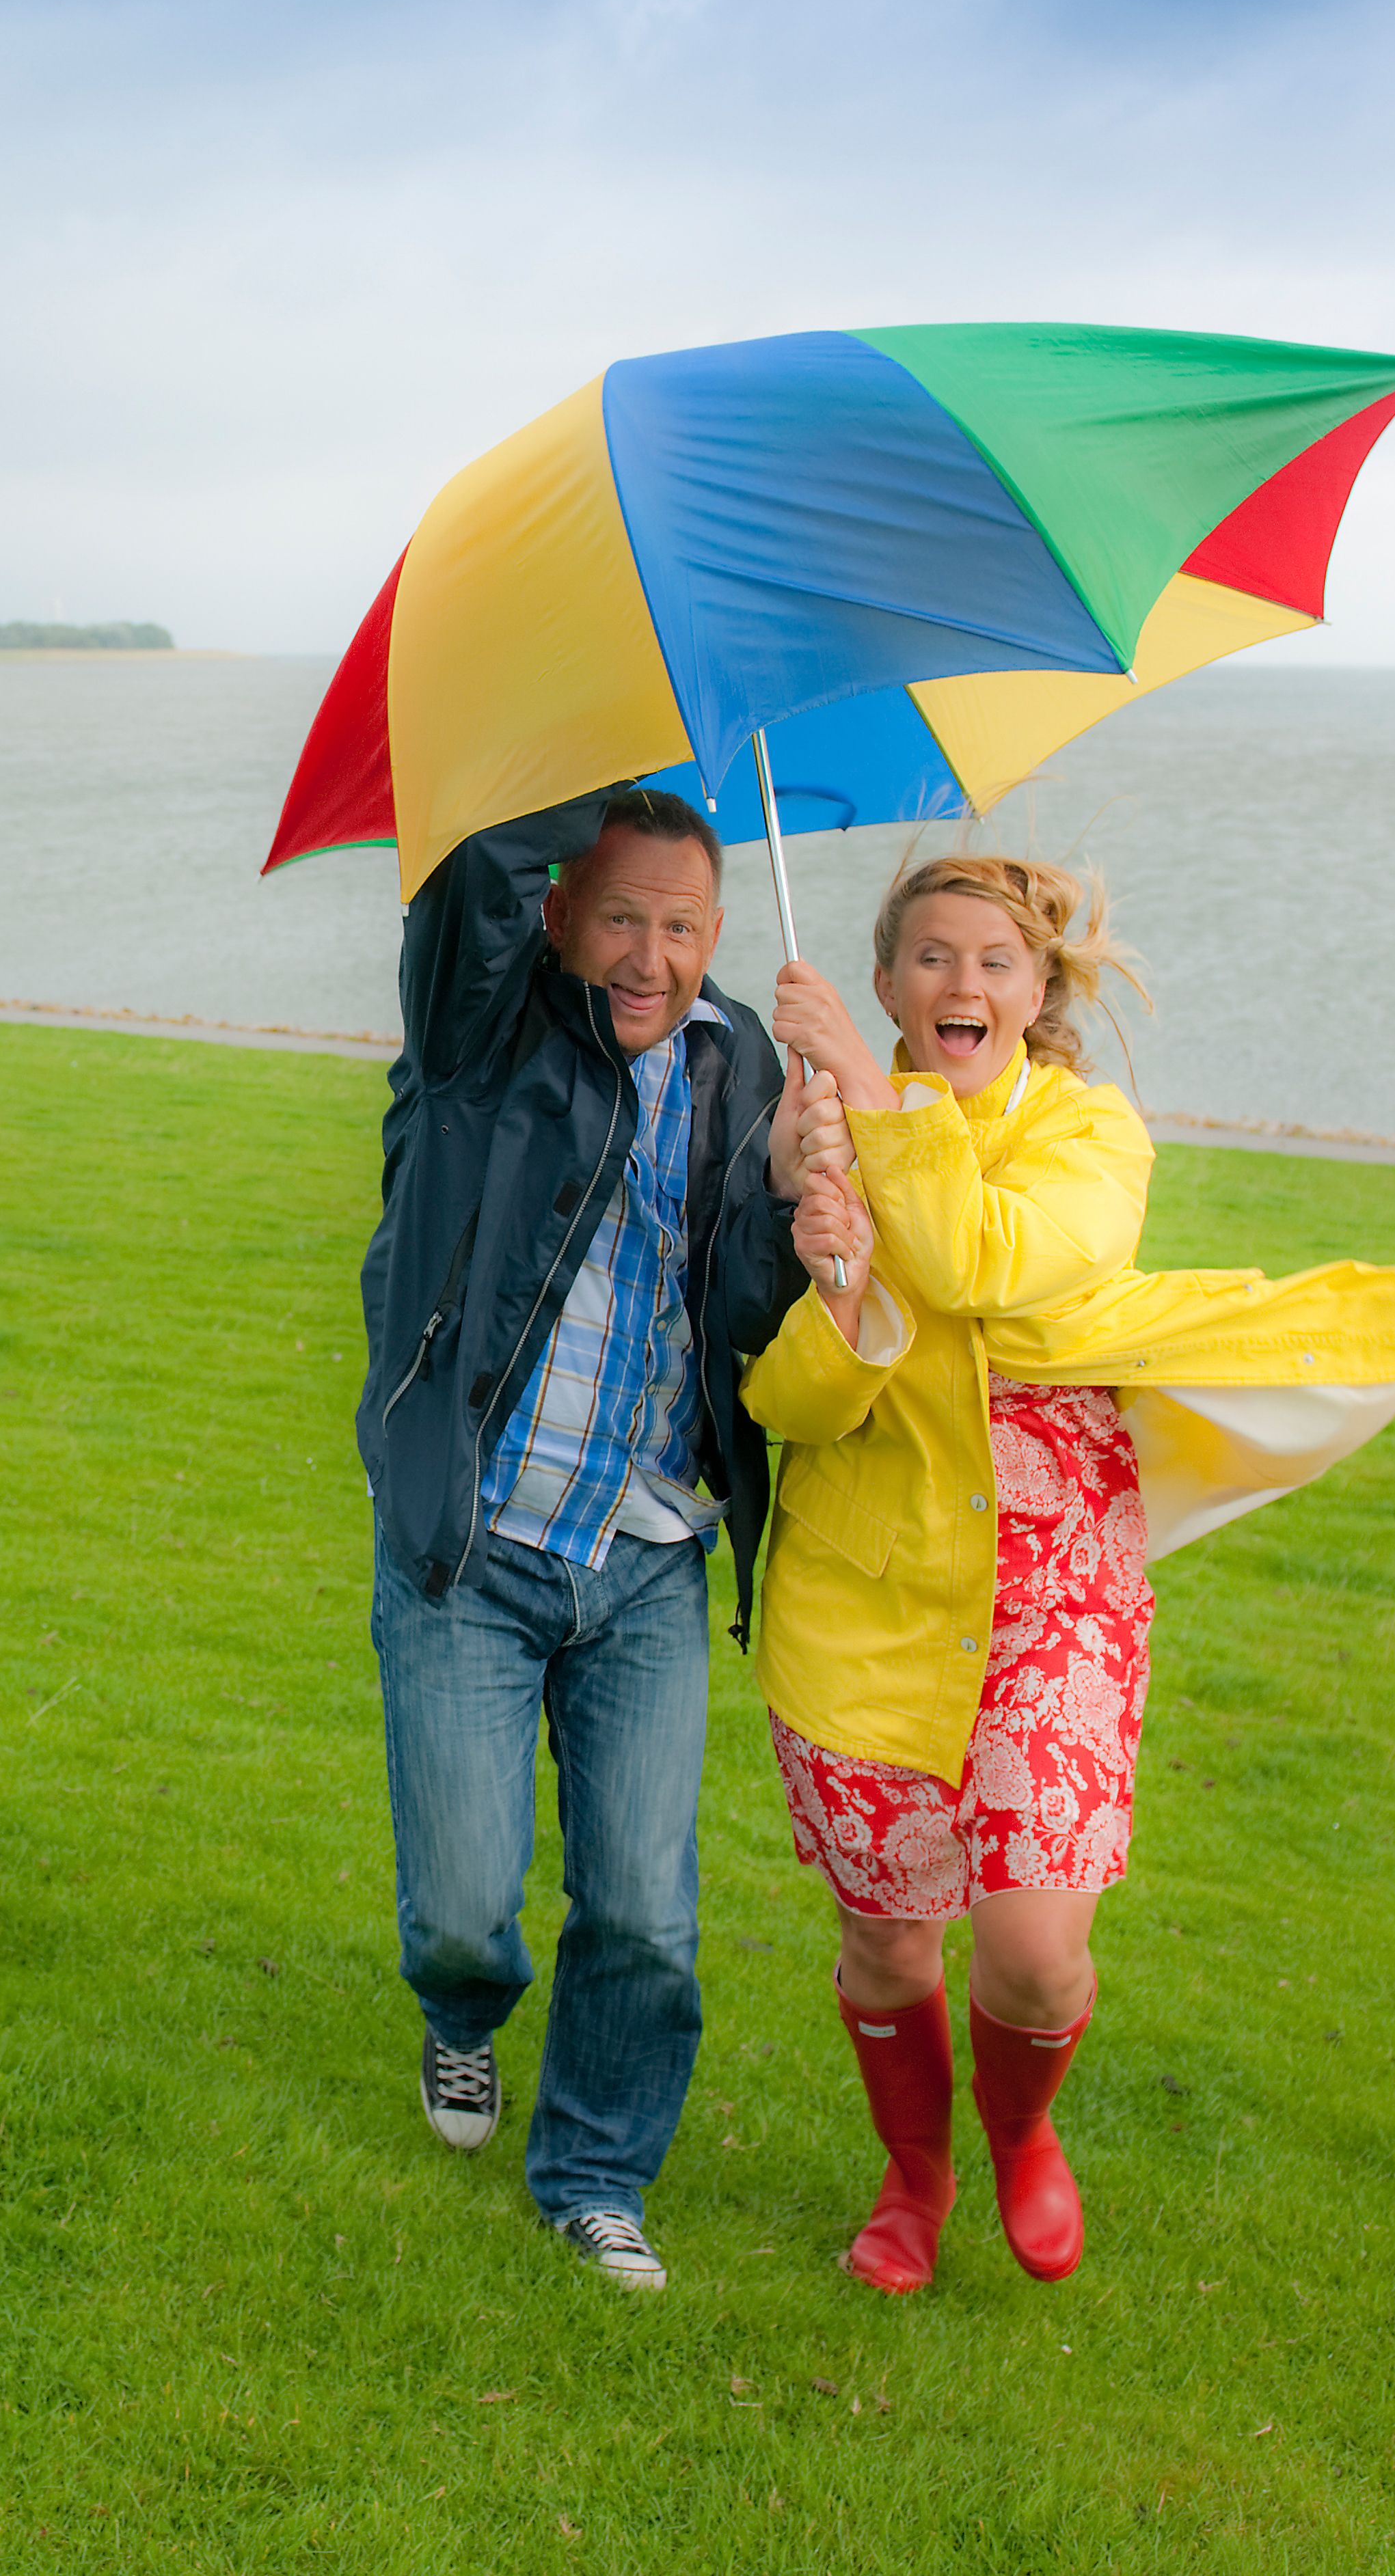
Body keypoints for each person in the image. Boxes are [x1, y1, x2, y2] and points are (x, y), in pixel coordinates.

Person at [750, 853, 1395, 2292]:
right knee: (889, 1942)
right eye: (931, 958)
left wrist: (874, 1110)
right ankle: (915, 2173)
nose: (962, 984)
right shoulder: (813, 1130)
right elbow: (790, 1407)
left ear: (1037, 991)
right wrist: (831, 1273)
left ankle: (1021, 2132)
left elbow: (980, 1262)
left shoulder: (1090, 1134)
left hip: (1053, 1581)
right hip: (863, 1586)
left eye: (994, 962)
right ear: (886, 977)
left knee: (1030, 1954)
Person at [360, 785, 839, 2290]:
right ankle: (460, 2016)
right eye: (619, 915)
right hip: (476, 1541)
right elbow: (468, 871)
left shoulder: (742, 1062)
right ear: (558, 915)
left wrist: (785, 1195)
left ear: (718, 937)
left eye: (684, 925)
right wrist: (587, 732)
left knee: (641, 1905)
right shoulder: (476, 1037)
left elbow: (743, 1324)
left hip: (644, 1553)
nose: (651, 955)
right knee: (463, 1910)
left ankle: (594, 2176)